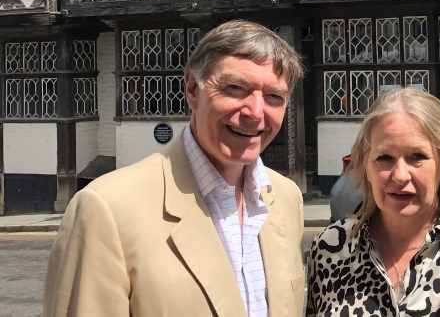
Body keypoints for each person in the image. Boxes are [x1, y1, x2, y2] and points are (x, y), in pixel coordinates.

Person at [44, 20, 306, 317]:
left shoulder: (286, 197)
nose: (256, 113)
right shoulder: (105, 209)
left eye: (274, 97)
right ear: (193, 88)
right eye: (235, 88)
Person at [307, 87, 440, 316]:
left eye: (417, 157)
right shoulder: (329, 248)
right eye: (384, 158)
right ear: (366, 166)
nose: (400, 175)